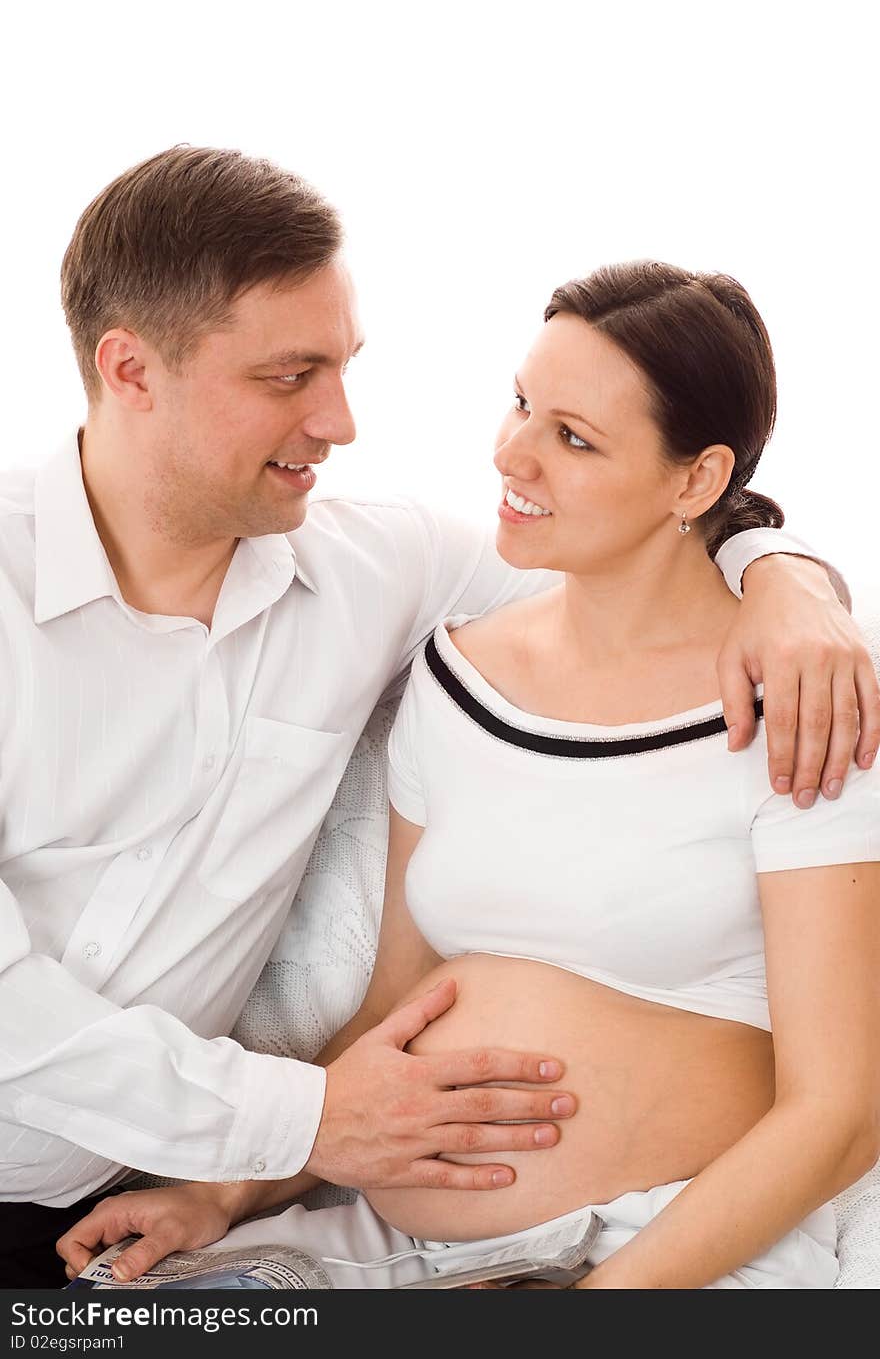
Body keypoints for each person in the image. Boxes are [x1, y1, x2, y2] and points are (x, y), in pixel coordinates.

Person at [0, 147, 874, 1289]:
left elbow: (626, 594)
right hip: (175, 1166)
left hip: (180, 1194)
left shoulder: (382, 572)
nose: (344, 420)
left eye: (345, 365)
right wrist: (280, 1141)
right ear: (130, 369)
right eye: (288, 374)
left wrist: (785, 572)